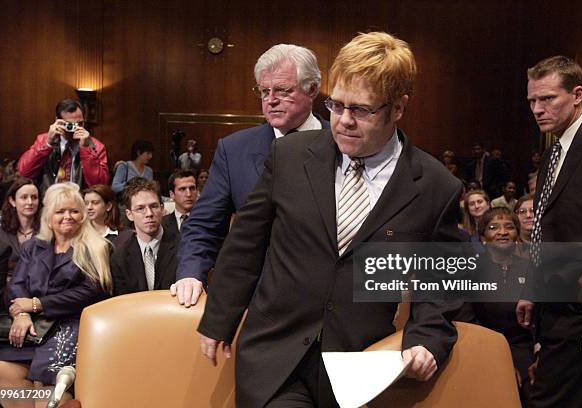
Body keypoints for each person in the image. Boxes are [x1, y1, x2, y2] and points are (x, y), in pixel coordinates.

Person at [197, 32, 463, 407]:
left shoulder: (436, 186)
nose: (344, 121)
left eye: (362, 110)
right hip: (275, 359)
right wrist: (219, 319)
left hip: (358, 368)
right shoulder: (289, 155)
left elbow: (441, 281)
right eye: (336, 105)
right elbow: (245, 244)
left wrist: (427, 339)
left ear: (398, 108)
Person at [172, 43, 330, 306]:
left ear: (312, 89)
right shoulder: (235, 150)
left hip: (327, 303)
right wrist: (191, 273)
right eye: (263, 91)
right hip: (258, 305)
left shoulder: (342, 145)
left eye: (282, 90)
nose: (270, 100)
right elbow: (204, 225)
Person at [518, 55, 582, 407]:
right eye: (532, 101)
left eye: (548, 99)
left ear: (578, 94)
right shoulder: (554, 151)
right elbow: (546, 228)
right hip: (554, 305)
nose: (538, 109)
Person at [0, 182, 111, 402]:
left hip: (72, 327)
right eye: (60, 211)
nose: (68, 216)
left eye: (74, 211)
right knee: (0, 369)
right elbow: (17, 285)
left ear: (83, 215)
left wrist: (38, 303)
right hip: (33, 327)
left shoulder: (96, 247)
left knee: (48, 386)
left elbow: (92, 291)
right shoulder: (33, 247)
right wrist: (22, 314)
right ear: (48, 217)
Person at [468, 208, 535, 406]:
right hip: (482, 348)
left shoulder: (531, 268)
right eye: (493, 227)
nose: (502, 232)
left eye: (509, 227)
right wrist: (500, 364)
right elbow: (467, 320)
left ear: (517, 234)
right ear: (482, 238)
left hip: (525, 348)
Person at [17, 99, 109, 192]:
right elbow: (24, 173)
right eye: (70, 125)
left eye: (80, 124)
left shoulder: (96, 146)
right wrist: (47, 144)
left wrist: (86, 150)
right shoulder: (44, 140)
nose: (75, 129)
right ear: (57, 120)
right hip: (50, 202)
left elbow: (100, 186)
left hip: (81, 202)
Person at [111, 179, 177, 295]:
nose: (149, 214)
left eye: (154, 206)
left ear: (162, 209)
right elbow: (121, 303)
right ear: (129, 215)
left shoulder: (183, 246)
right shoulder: (119, 257)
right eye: (140, 208)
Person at [0, 178, 41, 276]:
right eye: (24, 197)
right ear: (12, 201)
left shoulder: (47, 233)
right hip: (3, 287)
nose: (30, 202)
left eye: (34, 197)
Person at [162, 170, 197, 235]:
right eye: (182, 189)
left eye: (192, 188)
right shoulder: (161, 224)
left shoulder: (208, 220)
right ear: (172, 194)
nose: (188, 194)